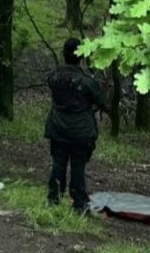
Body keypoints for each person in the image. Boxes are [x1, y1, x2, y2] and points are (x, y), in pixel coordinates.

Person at [44, 38, 106, 213]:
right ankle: (79, 204)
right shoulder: (87, 82)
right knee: (78, 166)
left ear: (64, 54)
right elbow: (101, 101)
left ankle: (54, 199)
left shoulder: (54, 77)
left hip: (58, 128)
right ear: (81, 56)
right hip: (80, 132)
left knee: (58, 164)